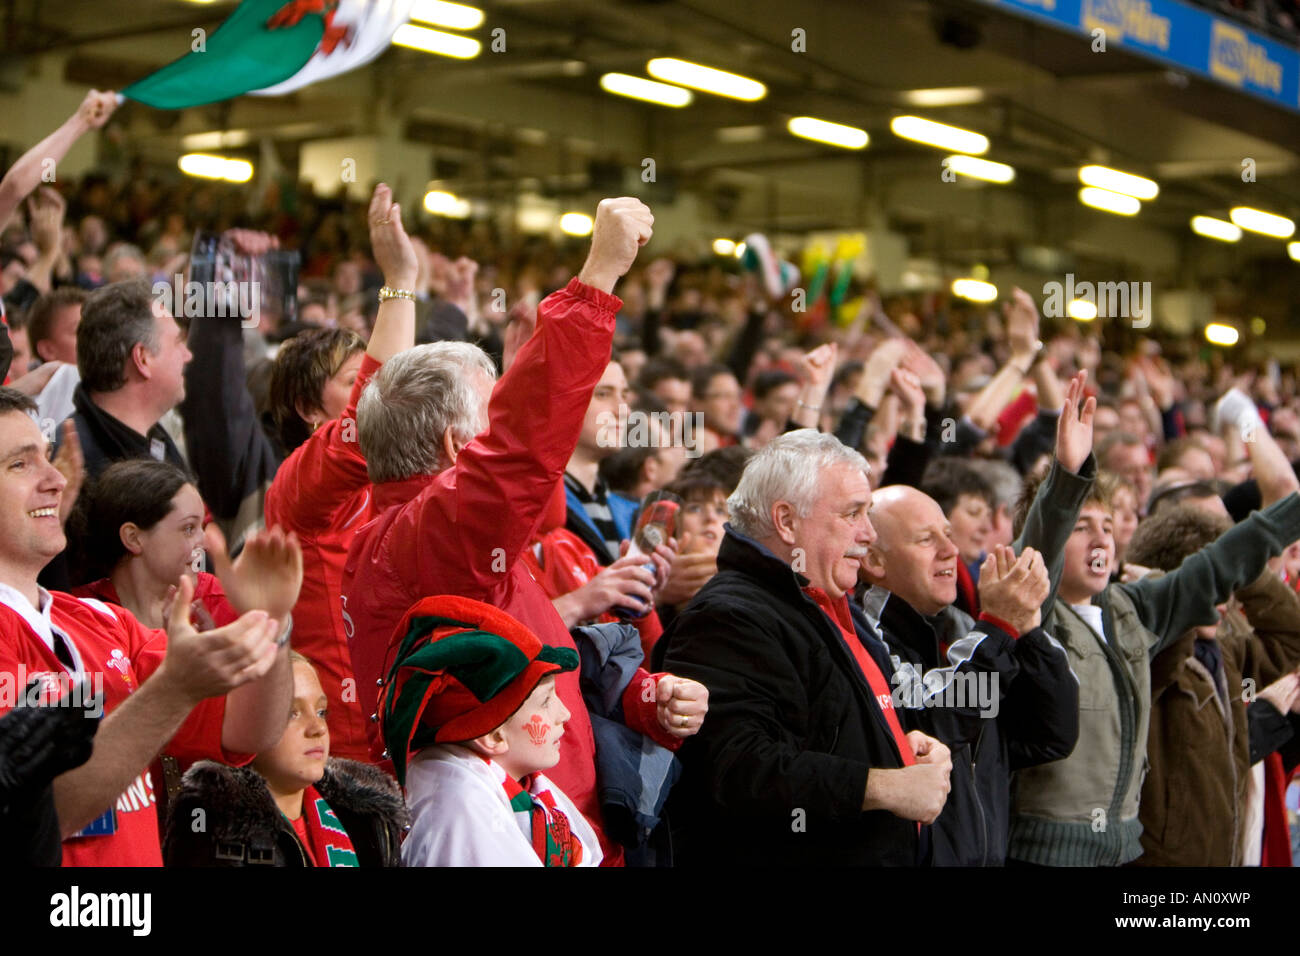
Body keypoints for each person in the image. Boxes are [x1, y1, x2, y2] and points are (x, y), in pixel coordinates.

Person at [342, 197, 709, 863]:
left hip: (550, 819)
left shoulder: (428, 538)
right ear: (460, 447)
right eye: (490, 416)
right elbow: (518, 457)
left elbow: (529, 485)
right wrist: (596, 281)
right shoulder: (425, 539)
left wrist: (642, 701)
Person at [0, 386, 297, 865]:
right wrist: (173, 690)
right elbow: (39, 812)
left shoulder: (100, 620)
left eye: (48, 457)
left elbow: (245, 731)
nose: (56, 479)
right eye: (20, 464)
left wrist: (273, 624)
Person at [658, 429, 952, 865]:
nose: (869, 534)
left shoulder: (826, 605)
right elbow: (739, 770)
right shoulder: (728, 618)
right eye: (853, 513)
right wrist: (885, 786)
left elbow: (829, 733)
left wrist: (907, 747)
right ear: (787, 521)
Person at [1006, 466, 1300, 865]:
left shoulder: (1132, 610)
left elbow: (1220, 562)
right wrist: (1068, 477)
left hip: (1124, 855)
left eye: (1108, 527)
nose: (1101, 540)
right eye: (1081, 527)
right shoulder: (1033, 617)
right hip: (1044, 856)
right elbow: (1039, 549)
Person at [264, 185, 419, 761]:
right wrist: (400, 281)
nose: (377, 385)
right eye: (355, 377)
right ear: (308, 409)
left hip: (411, 723)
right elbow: (374, 412)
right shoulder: (297, 486)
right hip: (348, 743)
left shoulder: (397, 478)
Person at [1125, 505, 1300, 865]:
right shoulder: (1146, 653)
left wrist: (1244, 566)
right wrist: (1166, 595)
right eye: (1211, 584)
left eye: (1228, 585)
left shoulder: (1225, 652)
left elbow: (1291, 638)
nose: (1225, 601)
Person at [381, 597, 602, 866]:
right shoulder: (459, 815)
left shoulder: (523, 785)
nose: (564, 714)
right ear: (493, 736)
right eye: (545, 702)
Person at [164, 652, 406, 867]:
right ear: (240, 727)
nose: (317, 728)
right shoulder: (210, 828)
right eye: (291, 713)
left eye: (321, 712)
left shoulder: (366, 817)